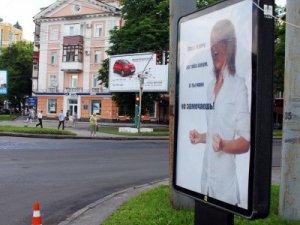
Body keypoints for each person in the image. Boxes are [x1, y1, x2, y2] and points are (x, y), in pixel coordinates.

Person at [189, 19, 250, 205]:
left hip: (224, 185)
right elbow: (218, 129)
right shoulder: (209, 87)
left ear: (230, 46)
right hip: (206, 179)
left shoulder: (238, 86)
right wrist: (201, 137)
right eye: (211, 43)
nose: (214, 48)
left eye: (219, 43)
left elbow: (245, 142)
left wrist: (223, 145)